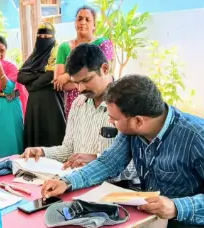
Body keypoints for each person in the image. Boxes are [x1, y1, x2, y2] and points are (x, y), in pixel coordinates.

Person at [41, 73, 204, 228]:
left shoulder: (200, 137)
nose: (110, 121)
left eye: (114, 118)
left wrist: (178, 207)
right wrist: (68, 181)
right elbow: (109, 162)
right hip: (158, 219)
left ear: (138, 120)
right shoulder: (132, 132)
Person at [21, 44, 137, 187]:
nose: (80, 89)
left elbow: (137, 167)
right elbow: (68, 150)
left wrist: (97, 160)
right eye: (76, 83)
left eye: (86, 80)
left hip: (114, 190)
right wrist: (41, 152)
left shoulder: (128, 104)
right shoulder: (78, 103)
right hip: (77, 185)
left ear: (105, 69)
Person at [54, 5, 114, 118]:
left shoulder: (103, 44)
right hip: (73, 105)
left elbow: (104, 76)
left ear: (94, 25)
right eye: (79, 18)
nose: (83, 22)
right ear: (75, 22)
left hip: (100, 101)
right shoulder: (64, 47)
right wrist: (86, 79)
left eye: (87, 19)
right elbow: (60, 84)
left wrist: (67, 76)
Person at [18, 22, 66, 148]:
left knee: (53, 140)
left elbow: (50, 75)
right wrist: (40, 74)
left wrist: (32, 82)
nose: (43, 40)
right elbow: (20, 76)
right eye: (40, 36)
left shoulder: (57, 55)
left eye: (47, 37)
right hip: (34, 107)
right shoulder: (34, 57)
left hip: (53, 105)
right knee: (35, 142)